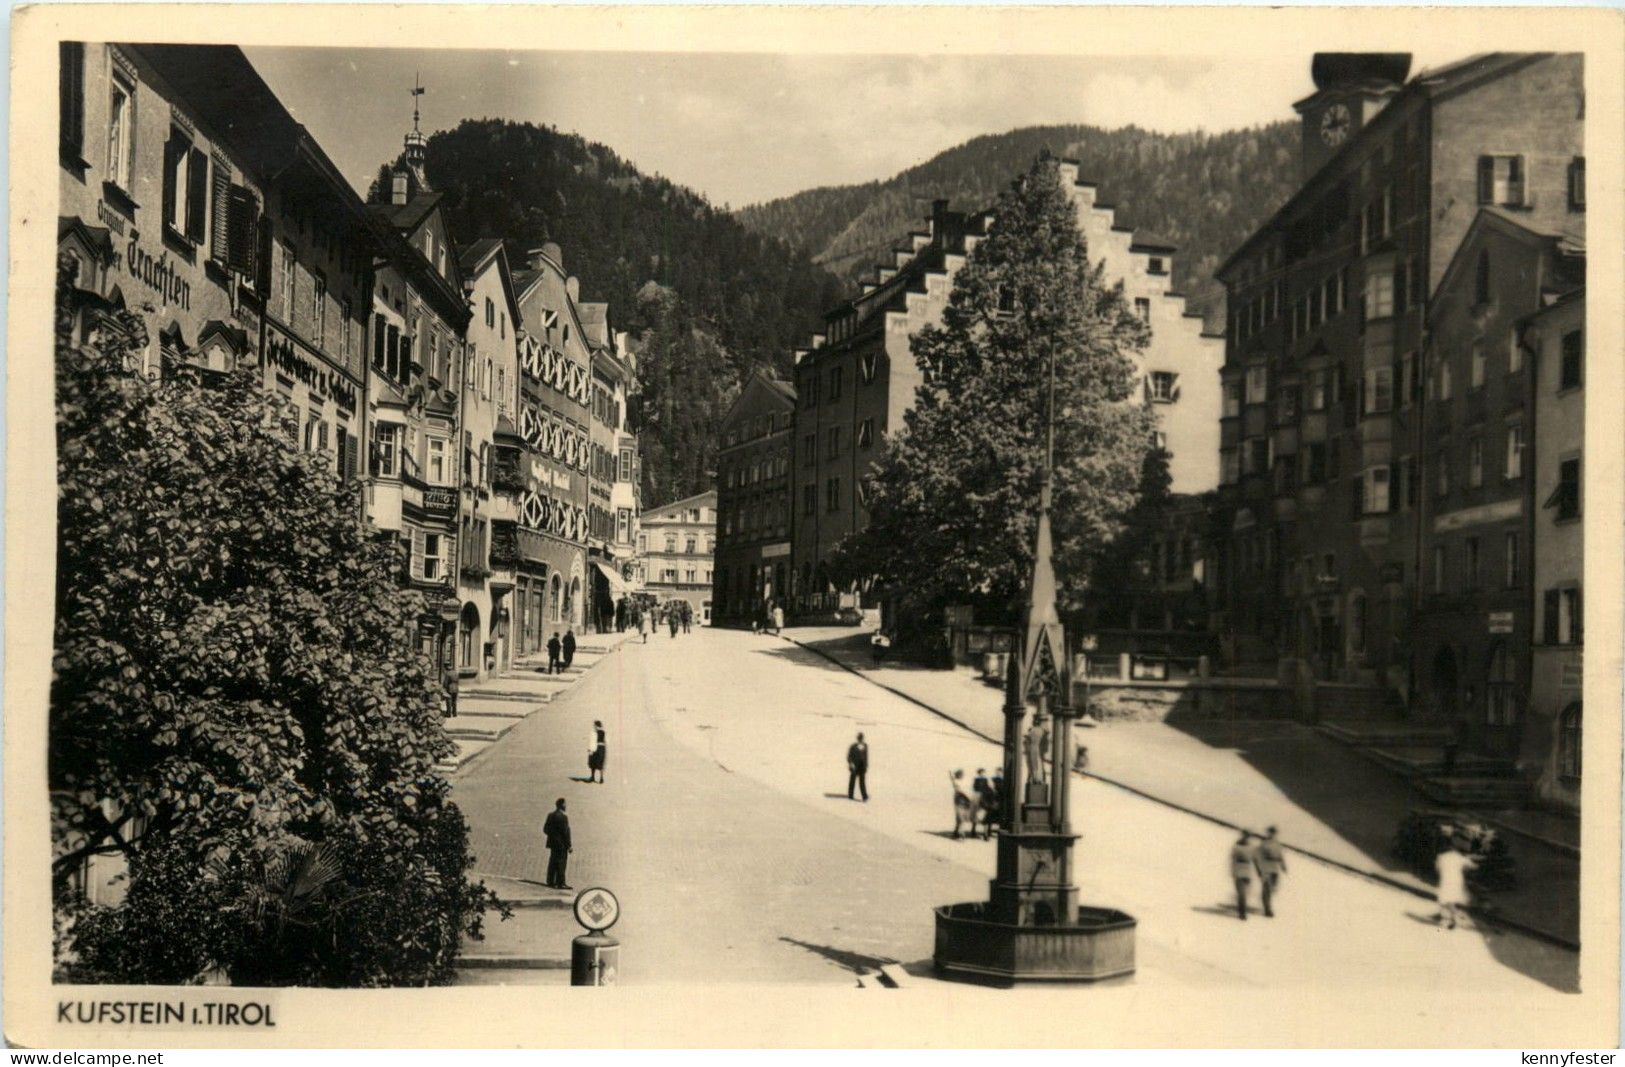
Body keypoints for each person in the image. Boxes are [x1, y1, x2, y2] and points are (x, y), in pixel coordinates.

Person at [1433, 833, 1477, 930]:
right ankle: (1449, 917)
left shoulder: (1443, 857)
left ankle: (1452, 919)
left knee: (1446, 900)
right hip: (1455, 880)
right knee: (1447, 900)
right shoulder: (1458, 857)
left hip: (1448, 879)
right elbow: (1471, 866)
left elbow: (1438, 868)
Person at [1257, 826, 1287, 918]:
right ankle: (1267, 909)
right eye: (1270, 832)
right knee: (1268, 888)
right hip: (1266, 868)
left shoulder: (1277, 844)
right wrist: (1259, 869)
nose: (1272, 834)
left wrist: (1283, 865)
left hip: (1275, 869)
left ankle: (1265, 900)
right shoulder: (1264, 844)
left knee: (1272, 889)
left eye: (1273, 833)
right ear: (1268, 833)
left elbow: (1280, 856)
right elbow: (1258, 857)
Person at [543, 798, 572, 890]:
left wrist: (553, 837)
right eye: (565, 804)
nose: (566, 806)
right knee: (561, 863)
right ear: (561, 805)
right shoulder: (563, 817)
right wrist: (569, 845)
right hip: (562, 845)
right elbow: (566, 833)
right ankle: (561, 883)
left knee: (552, 862)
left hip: (553, 844)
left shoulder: (550, 815)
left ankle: (550, 881)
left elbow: (545, 829)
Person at [1230, 831, 1256, 920]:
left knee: (1244, 893)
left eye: (1248, 836)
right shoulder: (1237, 846)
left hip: (1247, 872)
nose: (1246, 838)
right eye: (1245, 836)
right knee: (1241, 893)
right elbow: (1233, 859)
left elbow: (1254, 859)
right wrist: (1233, 871)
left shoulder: (1251, 847)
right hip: (1239, 870)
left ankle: (1242, 911)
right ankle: (1242, 913)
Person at [950, 770, 975, 839]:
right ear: (958, 775)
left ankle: (956, 833)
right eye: (961, 774)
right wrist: (968, 796)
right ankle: (961, 834)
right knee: (961, 818)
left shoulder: (963, 782)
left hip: (965, 802)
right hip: (959, 801)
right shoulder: (956, 782)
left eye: (962, 774)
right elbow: (959, 790)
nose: (962, 775)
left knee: (960, 818)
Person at [846, 732, 869, 802]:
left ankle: (864, 796)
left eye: (861, 738)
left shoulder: (865, 746)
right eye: (859, 738)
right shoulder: (853, 746)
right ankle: (850, 795)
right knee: (852, 781)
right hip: (854, 766)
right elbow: (849, 756)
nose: (860, 739)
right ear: (858, 738)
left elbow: (866, 756)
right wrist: (851, 763)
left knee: (862, 782)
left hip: (862, 766)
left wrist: (866, 765)